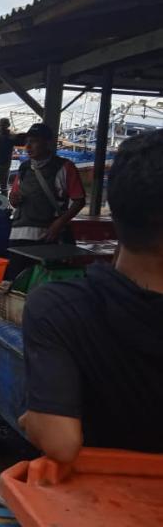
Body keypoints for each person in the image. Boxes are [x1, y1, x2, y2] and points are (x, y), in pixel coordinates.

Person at [18, 129, 163, 464]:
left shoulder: (56, 308)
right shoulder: (26, 170)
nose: (29, 147)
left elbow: (60, 442)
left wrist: (31, 419)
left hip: (96, 502)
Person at [6, 122, 86, 279]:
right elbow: (14, 199)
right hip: (18, 237)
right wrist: (13, 199)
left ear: (47, 143)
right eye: (27, 142)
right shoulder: (23, 168)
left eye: (34, 141)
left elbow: (79, 200)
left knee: (43, 284)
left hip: (46, 238)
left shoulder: (65, 167)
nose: (28, 146)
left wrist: (59, 224)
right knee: (15, 283)